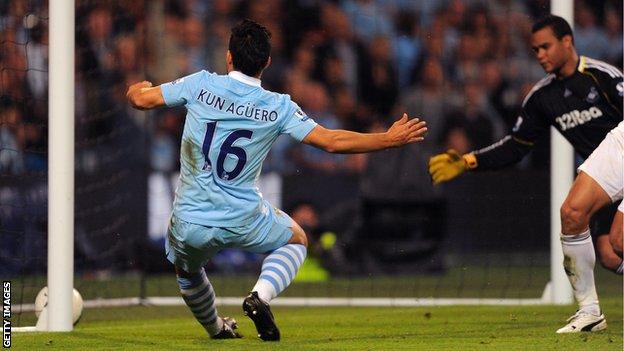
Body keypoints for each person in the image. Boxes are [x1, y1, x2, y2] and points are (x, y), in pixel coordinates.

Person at [127, 19, 427, 341]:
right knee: (296, 239)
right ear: (267, 62)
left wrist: (136, 89)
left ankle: (216, 328)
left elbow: (141, 101)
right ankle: (261, 296)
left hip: (191, 220)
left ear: (229, 57)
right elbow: (331, 142)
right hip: (243, 217)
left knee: (186, 271)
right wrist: (388, 139)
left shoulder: (200, 84)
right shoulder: (278, 107)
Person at [427, 15, 623, 333]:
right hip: (606, 180)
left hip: (618, 161)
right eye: (535, 50)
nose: (540, 55)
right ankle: (590, 313)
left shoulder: (602, 76)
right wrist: (468, 161)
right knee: (610, 253)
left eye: (545, 47)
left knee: (616, 238)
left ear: (567, 42)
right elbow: (516, 147)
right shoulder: (542, 98)